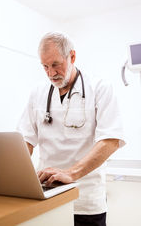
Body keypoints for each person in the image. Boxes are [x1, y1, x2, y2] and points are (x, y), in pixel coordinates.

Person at [17, 32, 125, 226]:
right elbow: (24, 140)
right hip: (48, 197)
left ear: (72, 56)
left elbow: (111, 141)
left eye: (56, 64)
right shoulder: (38, 92)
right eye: (45, 67)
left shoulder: (100, 88)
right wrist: (16, 178)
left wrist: (71, 173)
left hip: (86, 199)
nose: (51, 73)